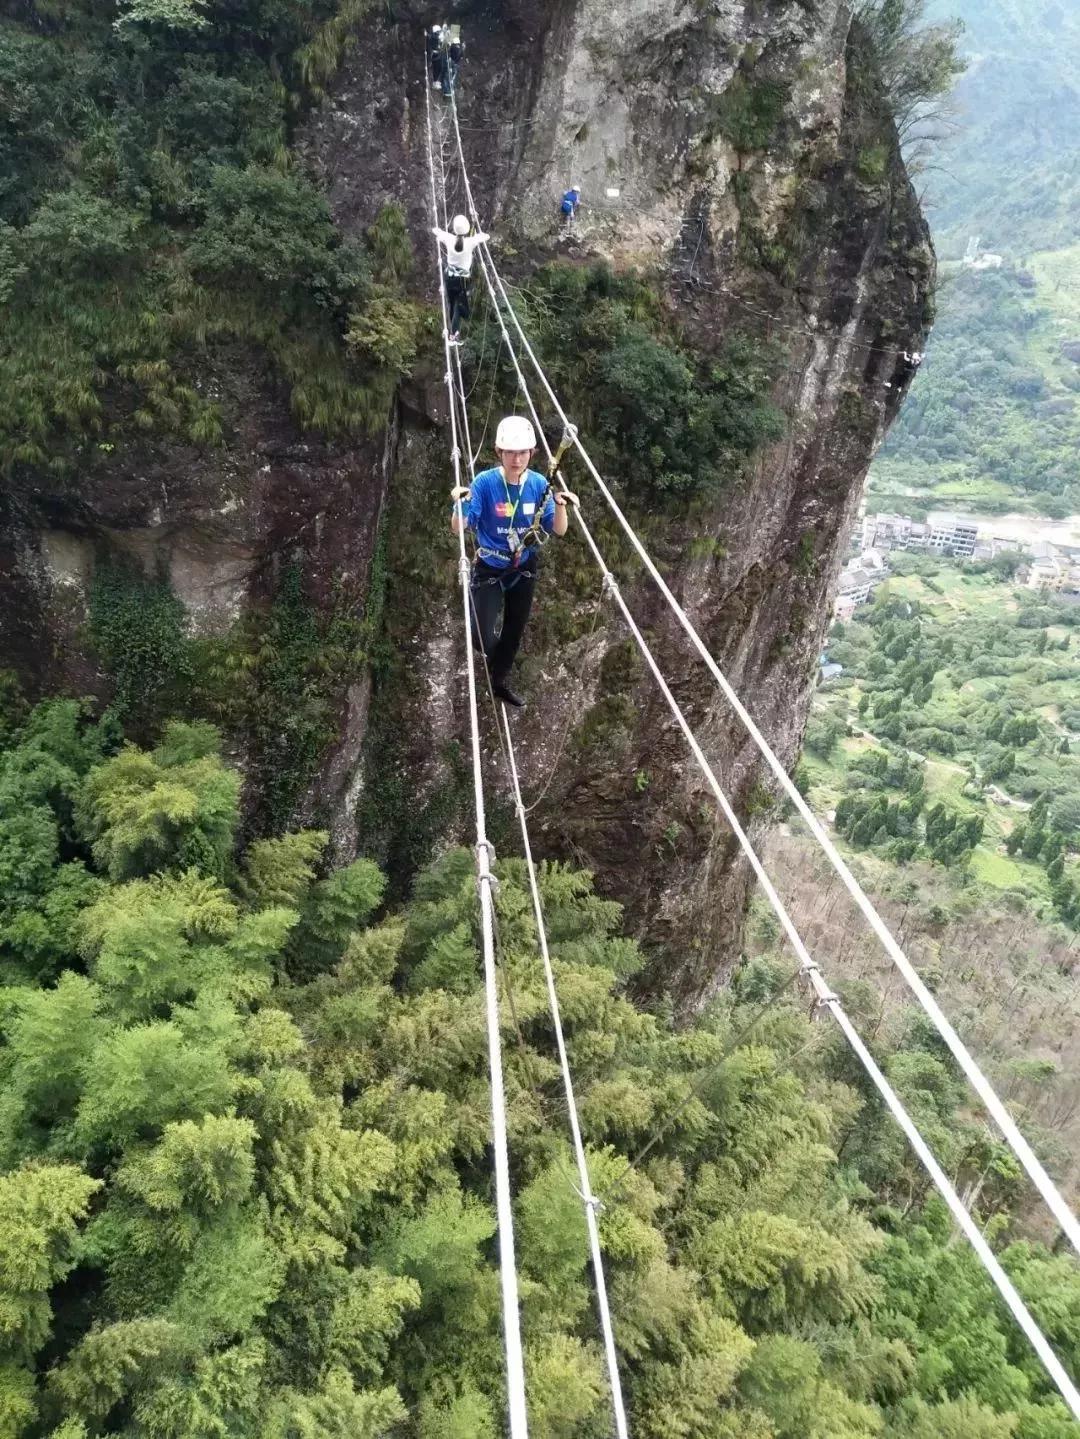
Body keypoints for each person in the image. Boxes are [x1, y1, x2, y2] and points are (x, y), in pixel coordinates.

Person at [450, 415, 577, 708]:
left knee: (514, 629)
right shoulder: (484, 483)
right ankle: (497, 663)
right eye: (511, 452)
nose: (517, 459)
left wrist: (560, 507)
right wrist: (461, 503)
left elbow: (558, 530)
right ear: (499, 452)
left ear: (531, 453)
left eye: (522, 453)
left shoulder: (539, 484)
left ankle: (498, 682)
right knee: (480, 635)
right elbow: (459, 527)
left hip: (523, 568)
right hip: (491, 567)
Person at [433, 214, 489, 340]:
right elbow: (486, 236)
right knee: (459, 305)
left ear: (454, 228)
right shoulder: (470, 242)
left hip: (449, 277)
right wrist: (475, 222)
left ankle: (454, 333)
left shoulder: (449, 238)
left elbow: (435, 231)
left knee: (453, 303)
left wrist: (440, 232)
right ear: (467, 229)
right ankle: (454, 334)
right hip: (462, 280)